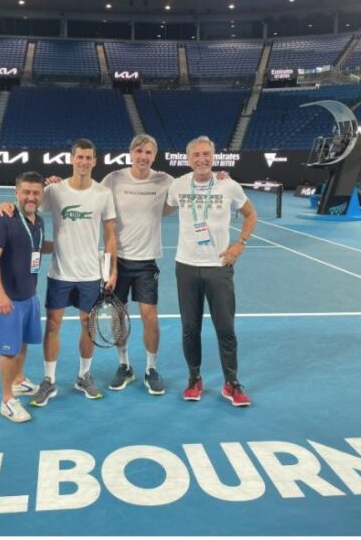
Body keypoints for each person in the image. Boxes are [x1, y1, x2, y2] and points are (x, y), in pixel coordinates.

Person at [21, 138, 117, 406]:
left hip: (89, 274)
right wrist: (8, 206)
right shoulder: (54, 191)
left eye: (89, 157)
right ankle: (49, 380)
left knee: (88, 326)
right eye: (79, 157)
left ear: (94, 161)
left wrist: (111, 270)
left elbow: (110, 235)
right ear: (71, 159)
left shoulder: (103, 194)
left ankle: (84, 375)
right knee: (53, 325)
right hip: (60, 273)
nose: (84, 162)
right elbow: (27, 209)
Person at [165, 136, 257, 407]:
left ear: (214, 156)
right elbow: (161, 209)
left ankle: (232, 382)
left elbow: (251, 214)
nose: (202, 159)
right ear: (188, 158)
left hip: (219, 267)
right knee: (190, 329)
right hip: (186, 266)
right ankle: (194, 379)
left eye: (206, 154)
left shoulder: (228, 185)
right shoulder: (178, 185)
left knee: (225, 328)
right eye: (196, 155)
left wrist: (240, 243)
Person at [99, 134, 174, 395]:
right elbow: (92, 199)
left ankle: (151, 368)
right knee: (118, 316)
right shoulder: (114, 178)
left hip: (146, 263)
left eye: (149, 152)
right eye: (139, 151)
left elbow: (186, 193)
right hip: (116, 260)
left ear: (154, 156)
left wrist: (217, 176)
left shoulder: (164, 180)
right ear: (131, 153)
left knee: (149, 317)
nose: (143, 156)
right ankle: (124, 366)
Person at [0, 171, 52, 423]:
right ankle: (6, 400)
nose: (31, 197)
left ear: (41, 195)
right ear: (17, 193)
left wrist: (71, 245)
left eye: (35, 192)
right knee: (8, 351)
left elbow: (39, 246)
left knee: (23, 343)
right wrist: (0, 294)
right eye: (26, 192)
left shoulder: (39, 222)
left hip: (28, 297)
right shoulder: (3, 219)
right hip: (8, 300)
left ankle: (19, 381)